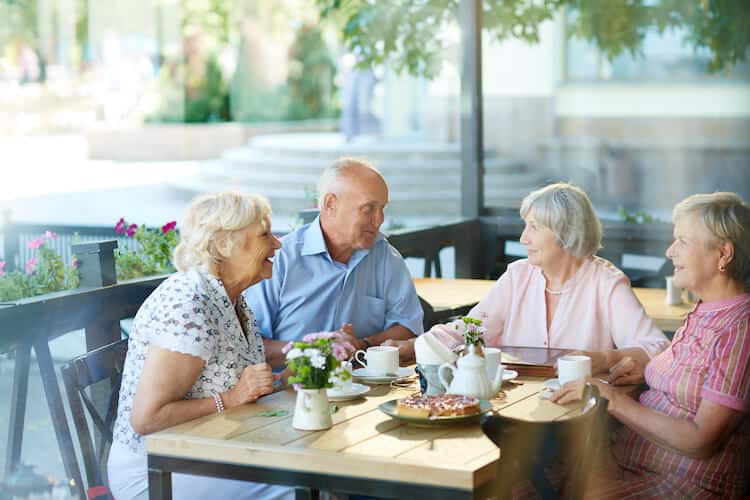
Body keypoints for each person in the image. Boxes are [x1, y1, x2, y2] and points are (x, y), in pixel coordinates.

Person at [554, 192, 750, 499]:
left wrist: (611, 398)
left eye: (683, 241)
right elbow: (692, 378)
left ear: (723, 253)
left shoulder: (740, 328)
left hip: (684, 484)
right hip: (630, 462)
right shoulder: (704, 310)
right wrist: (644, 369)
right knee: (516, 479)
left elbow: (702, 440)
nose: (670, 252)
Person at [108, 192, 290, 500]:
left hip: (213, 452)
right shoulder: (188, 303)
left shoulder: (230, 297)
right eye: (264, 235)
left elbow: (229, 380)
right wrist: (232, 399)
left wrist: (281, 381)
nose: (277, 243)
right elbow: (147, 419)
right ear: (223, 245)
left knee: (311, 475)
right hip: (157, 471)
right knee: (296, 489)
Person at [389, 182, 668, 380]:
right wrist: (415, 346)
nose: (523, 238)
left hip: (578, 410)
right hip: (514, 401)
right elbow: (472, 327)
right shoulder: (518, 275)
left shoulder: (606, 283)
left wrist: (605, 359)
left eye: (534, 227)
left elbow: (656, 348)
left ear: (565, 232)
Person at [245, 157, 423, 367]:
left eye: (382, 209)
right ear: (330, 204)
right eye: (368, 209)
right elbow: (249, 347)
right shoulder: (280, 259)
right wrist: (316, 350)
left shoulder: (385, 257)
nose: (379, 220)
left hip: (363, 388)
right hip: (292, 393)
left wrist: (362, 344)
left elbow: (408, 325)